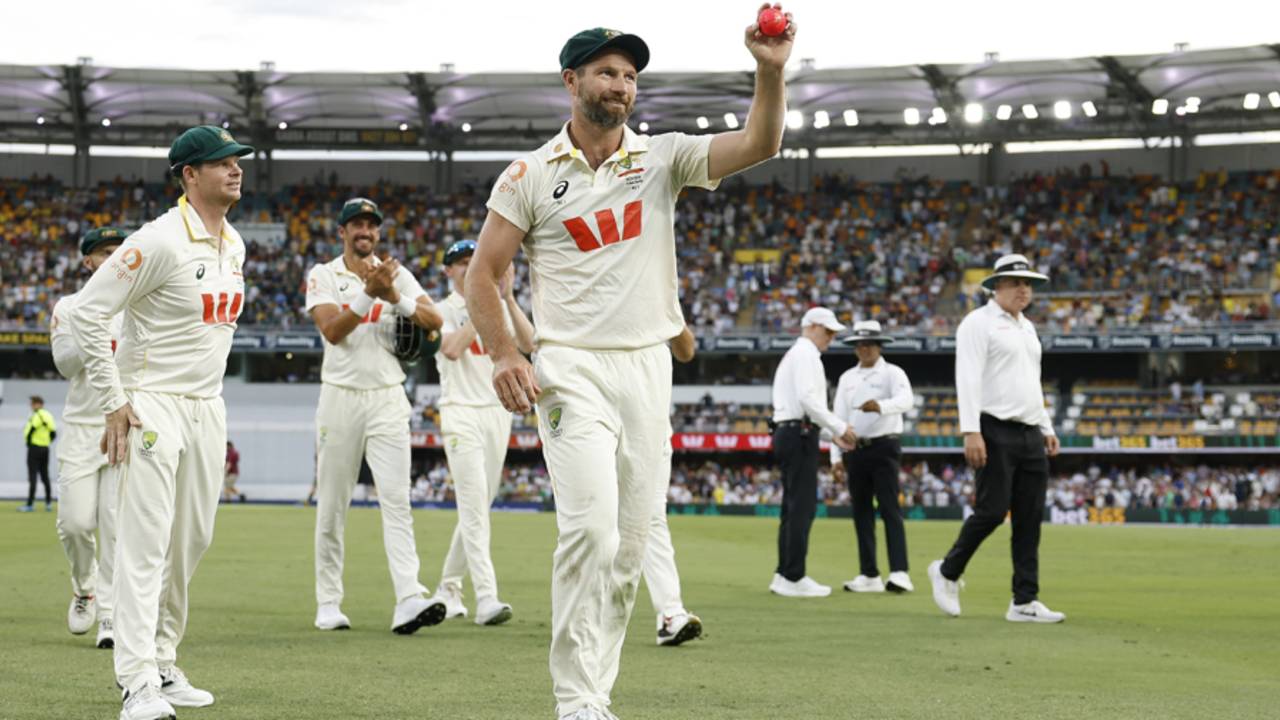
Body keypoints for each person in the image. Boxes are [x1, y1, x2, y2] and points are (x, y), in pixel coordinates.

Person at [465, 13, 798, 718]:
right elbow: (482, 275)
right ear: (572, 81)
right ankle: (574, 697)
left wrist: (769, 70)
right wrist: (503, 353)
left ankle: (596, 693)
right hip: (568, 366)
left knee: (631, 545)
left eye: (630, 76)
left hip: (647, 366)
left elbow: (762, 142)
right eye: (608, 73)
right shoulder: (527, 174)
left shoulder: (663, 157)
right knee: (590, 529)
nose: (621, 86)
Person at [67, 124, 255, 719]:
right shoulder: (157, 240)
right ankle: (136, 681)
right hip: (154, 404)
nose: (235, 169)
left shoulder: (236, 244)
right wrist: (114, 399)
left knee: (190, 541)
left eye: (236, 161)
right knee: (144, 545)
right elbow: (87, 315)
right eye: (220, 162)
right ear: (189, 175)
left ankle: (165, 661)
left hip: (208, 405)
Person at [306, 197, 447, 635]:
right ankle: (328, 602)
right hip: (341, 397)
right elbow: (332, 330)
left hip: (388, 396)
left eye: (371, 225)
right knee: (332, 504)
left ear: (378, 233)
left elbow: (434, 319)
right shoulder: (324, 275)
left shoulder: (397, 274)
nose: (365, 231)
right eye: (357, 225)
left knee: (397, 500)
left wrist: (395, 297)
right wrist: (370, 293)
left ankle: (408, 597)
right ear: (343, 233)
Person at [928, 253, 1066, 624]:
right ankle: (947, 571)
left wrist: (1046, 426)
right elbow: (968, 377)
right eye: (1016, 283)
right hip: (993, 427)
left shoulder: (1027, 327)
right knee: (991, 511)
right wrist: (970, 430)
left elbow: (1030, 382)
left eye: (1028, 284)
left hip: (1029, 430)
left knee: (1030, 516)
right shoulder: (978, 323)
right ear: (996, 286)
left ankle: (1024, 600)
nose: (1024, 289)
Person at [434, 238, 534, 626]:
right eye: (461, 263)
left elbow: (529, 343)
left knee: (478, 506)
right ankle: (487, 597)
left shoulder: (499, 304)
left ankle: (447, 586)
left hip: (497, 411)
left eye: (474, 262)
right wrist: (483, 299)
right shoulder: (440, 308)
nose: (467, 267)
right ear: (448, 271)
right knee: (474, 506)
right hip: (460, 411)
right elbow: (453, 349)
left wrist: (505, 300)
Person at [49, 226, 125, 648]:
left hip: (124, 424)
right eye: (104, 253)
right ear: (88, 262)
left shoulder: (137, 304)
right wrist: (93, 322)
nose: (113, 258)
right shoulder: (70, 306)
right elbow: (64, 364)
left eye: (119, 252)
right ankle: (85, 589)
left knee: (115, 524)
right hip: (81, 426)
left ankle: (111, 615)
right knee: (76, 523)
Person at [769, 307, 857, 598]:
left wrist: (832, 430)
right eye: (829, 331)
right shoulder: (806, 354)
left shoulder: (797, 354)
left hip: (792, 430)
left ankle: (785, 573)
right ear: (814, 327)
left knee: (793, 506)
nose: (831, 338)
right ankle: (792, 576)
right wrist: (839, 427)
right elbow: (808, 399)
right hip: (798, 432)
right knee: (802, 506)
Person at [830, 320, 914, 594]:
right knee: (861, 512)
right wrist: (835, 457)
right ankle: (869, 574)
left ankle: (900, 572)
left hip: (884, 446)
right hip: (856, 450)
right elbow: (838, 418)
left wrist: (881, 406)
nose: (864, 349)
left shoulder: (893, 372)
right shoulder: (847, 378)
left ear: (879, 346)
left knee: (890, 508)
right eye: (860, 344)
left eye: (869, 344)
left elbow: (906, 400)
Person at [646, 325, 702, 646]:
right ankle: (584, 616)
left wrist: (667, 306)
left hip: (653, 428)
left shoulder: (657, 284)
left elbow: (686, 350)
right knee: (593, 525)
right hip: (598, 423)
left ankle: (670, 614)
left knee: (653, 517)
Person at [20, 395, 57, 512]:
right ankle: (48, 503)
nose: (31, 406)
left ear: (39, 404)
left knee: (33, 476)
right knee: (45, 476)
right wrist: (46, 442)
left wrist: (30, 443)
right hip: (45, 449)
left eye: (33, 403)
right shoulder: (49, 416)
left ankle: (30, 504)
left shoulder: (37, 415)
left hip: (34, 449)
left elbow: (30, 431)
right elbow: (53, 433)